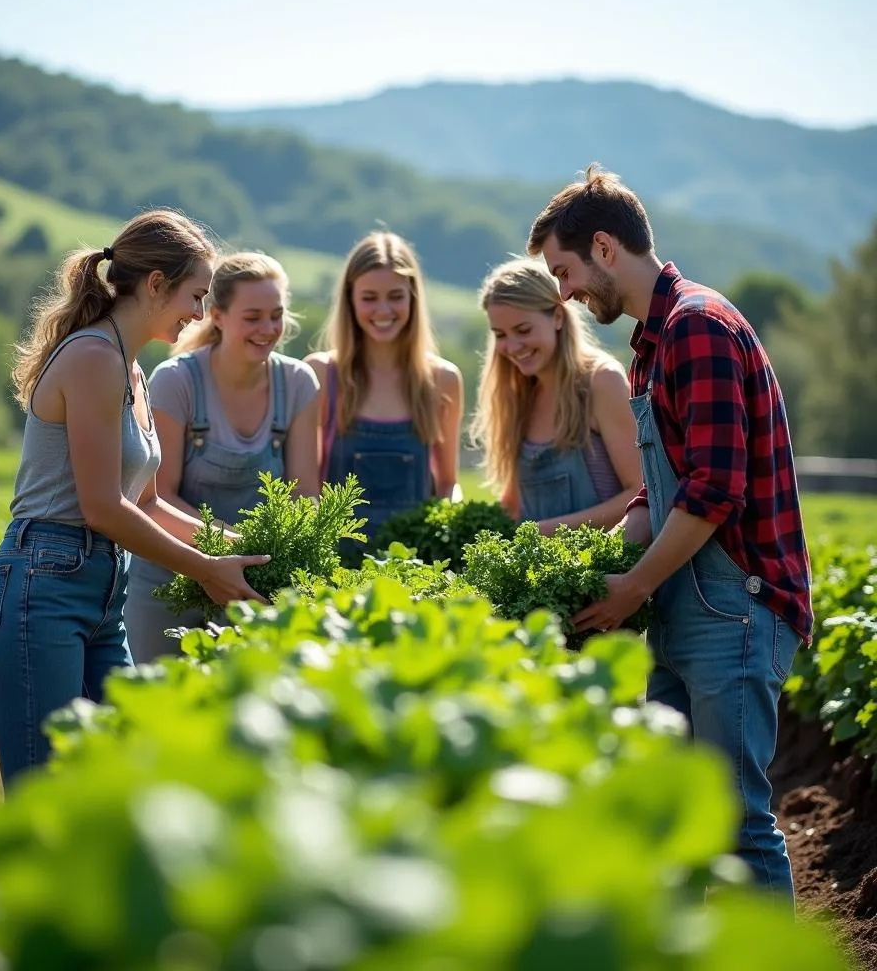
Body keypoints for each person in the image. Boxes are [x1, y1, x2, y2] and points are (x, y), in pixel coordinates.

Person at [527, 165, 813, 901]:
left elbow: (716, 491)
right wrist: (585, 566)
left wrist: (635, 586)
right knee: (679, 819)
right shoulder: (652, 346)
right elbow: (661, 495)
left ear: (604, 246)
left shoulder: (699, 328)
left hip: (735, 608)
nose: (565, 293)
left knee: (738, 827)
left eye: (564, 271)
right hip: (687, 608)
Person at [0, 210, 270, 789]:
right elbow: (103, 507)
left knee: (122, 774)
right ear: (155, 283)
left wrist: (243, 546)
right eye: (196, 295)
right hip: (43, 589)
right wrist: (207, 570)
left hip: (102, 595)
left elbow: (150, 503)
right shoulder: (92, 358)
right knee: (47, 800)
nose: (200, 314)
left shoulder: (131, 370)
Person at [124, 252, 320, 662]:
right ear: (217, 316)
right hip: (168, 580)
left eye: (276, 315)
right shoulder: (177, 381)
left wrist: (258, 561)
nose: (268, 329)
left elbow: (305, 494)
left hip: (253, 584)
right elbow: (158, 499)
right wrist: (236, 547)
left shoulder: (298, 383)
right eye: (253, 317)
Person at [305, 231, 463, 554]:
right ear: (350, 299)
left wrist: (451, 526)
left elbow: (448, 483)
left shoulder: (443, 380)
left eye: (395, 296)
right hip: (336, 568)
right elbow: (307, 489)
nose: (383, 309)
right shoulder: (321, 375)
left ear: (413, 297)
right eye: (369, 297)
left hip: (415, 569)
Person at [470, 257, 641, 531]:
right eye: (500, 335)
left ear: (558, 317)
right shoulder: (515, 396)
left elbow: (640, 494)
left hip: (605, 570)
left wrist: (545, 532)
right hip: (535, 572)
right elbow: (514, 505)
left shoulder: (601, 381)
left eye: (523, 330)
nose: (512, 346)